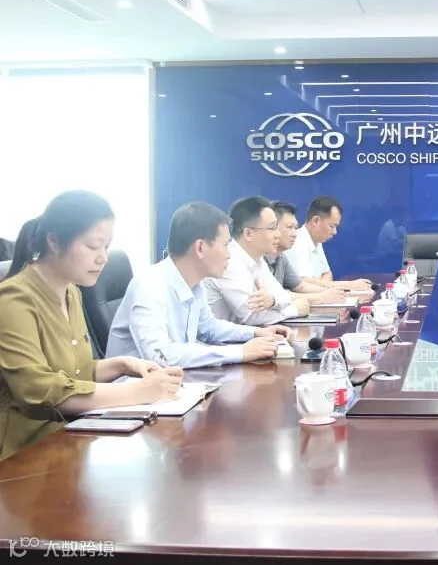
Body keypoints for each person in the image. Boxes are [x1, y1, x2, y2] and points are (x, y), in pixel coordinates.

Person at [0, 191, 183, 460]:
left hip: (73, 437)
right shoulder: (13, 299)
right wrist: (137, 392)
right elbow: (38, 390)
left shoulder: (71, 292)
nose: (103, 258)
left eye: (106, 247)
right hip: (25, 452)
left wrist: (122, 364)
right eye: (93, 246)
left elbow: (74, 373)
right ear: (54, 241)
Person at [106, 201, 284, 368]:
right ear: (200, 248)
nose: (229, 254)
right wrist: (240, 352)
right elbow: (160, 355)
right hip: (133, 385)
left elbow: (208, 328)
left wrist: (255, 333)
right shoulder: (149, 285)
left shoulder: (195, 285)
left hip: (172, 381)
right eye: (225, 245)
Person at [204, 196, 310, 325]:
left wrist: (272, 300)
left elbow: (283, 296)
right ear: (248, 233)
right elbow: (251, 317)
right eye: (272, 228)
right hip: (219, 337)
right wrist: (294, 310)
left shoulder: (257, 259)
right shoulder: (229, 261)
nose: (278, 234)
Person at [284, 196, 372, 291]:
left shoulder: (317, 241)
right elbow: (302, 283)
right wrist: (348, 285)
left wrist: (319, 287)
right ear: (316, 221)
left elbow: (327, 274)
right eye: (332, 226)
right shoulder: (296, 241)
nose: (335, 232)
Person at [267, 201, 346, 304]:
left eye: (295, 228)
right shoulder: (260, 258)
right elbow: (275, 295)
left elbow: (300, 285)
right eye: (289, 227)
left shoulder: (281, 257)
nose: (295, 234)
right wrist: (320, 297)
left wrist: (331, 292)